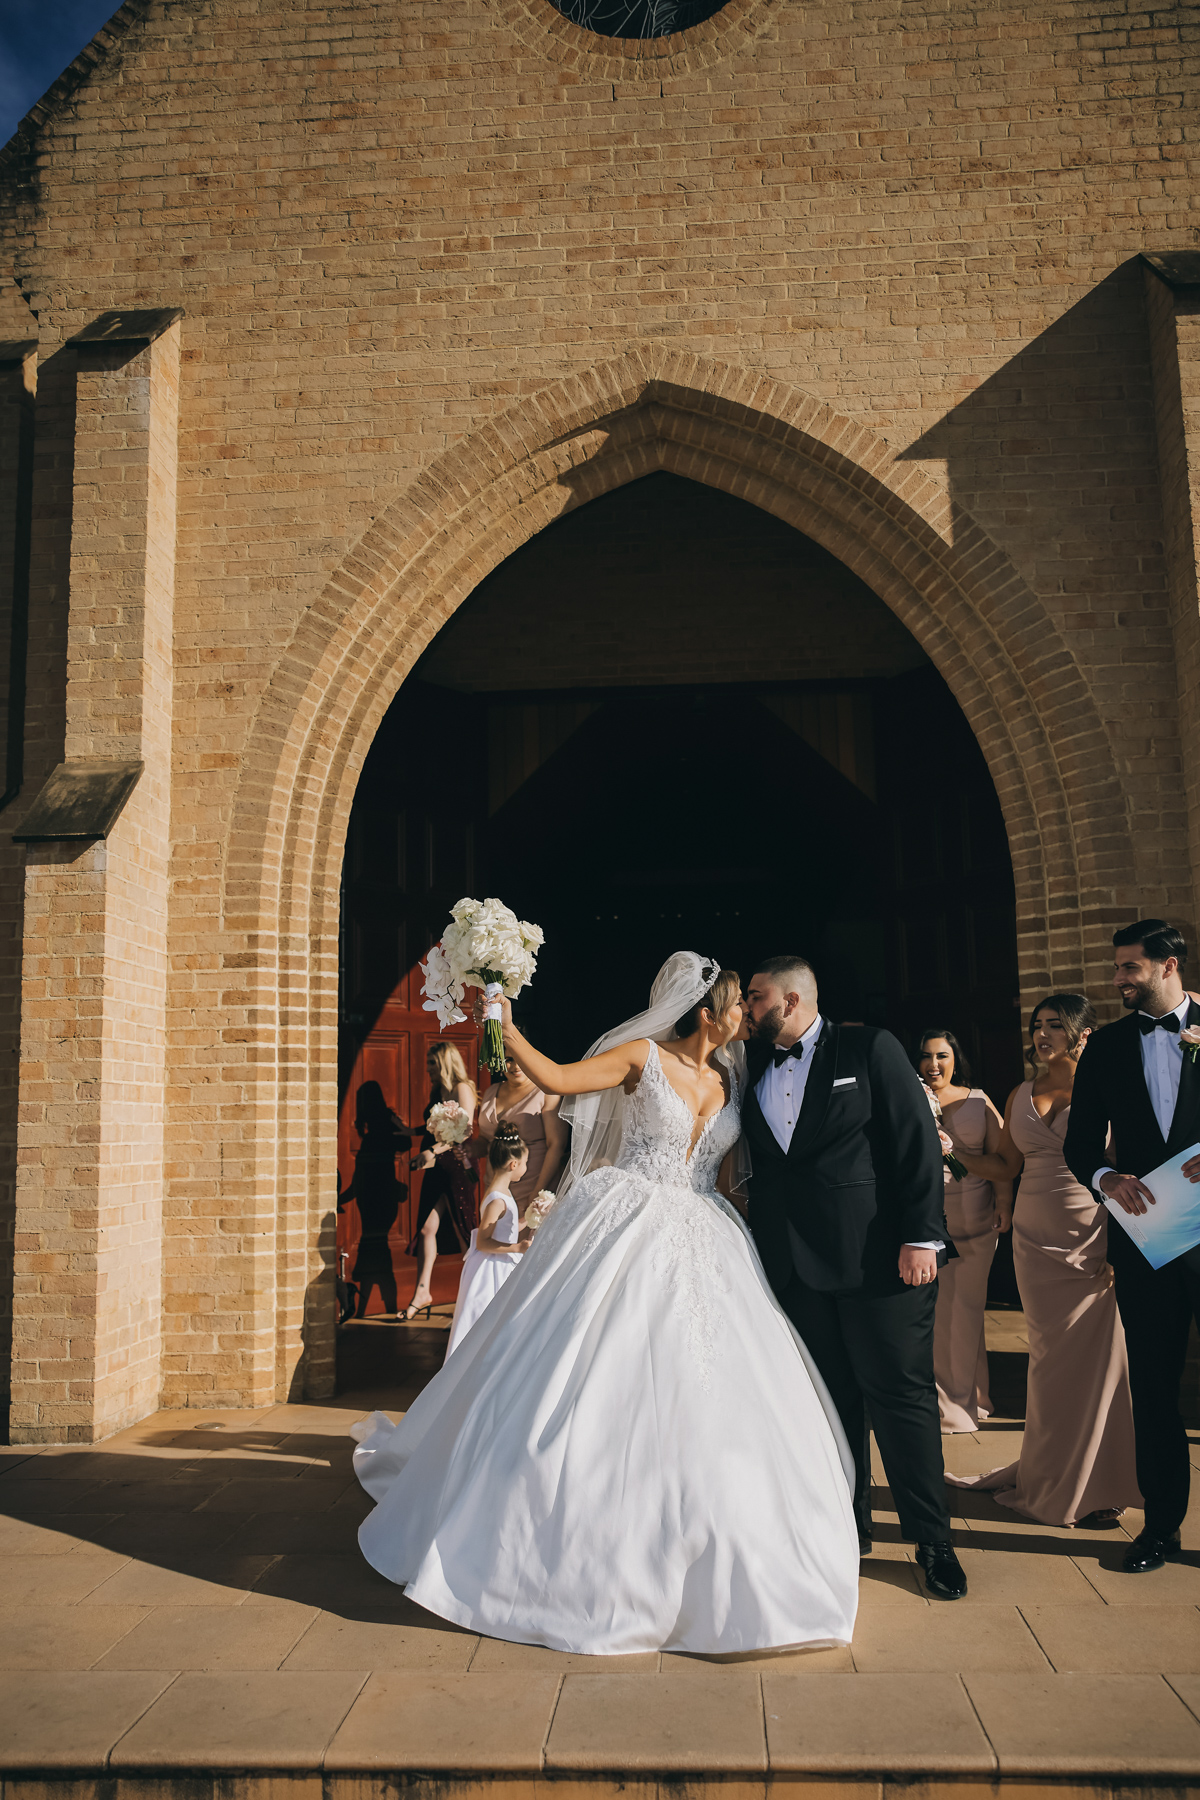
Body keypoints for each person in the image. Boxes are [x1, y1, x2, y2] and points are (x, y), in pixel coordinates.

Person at [351, 953, 859, 1655]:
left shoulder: (733, 1078)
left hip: (706, 1232)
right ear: (707, 1011)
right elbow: (560, 1078)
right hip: (630, 1220)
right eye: (740, 1003)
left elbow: (731, 1176)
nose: (749, 1014)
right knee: (602, 1362)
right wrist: (505, 1025)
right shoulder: (641, 1057)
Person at [740, 954, 967, 1601]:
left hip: (879, 1262)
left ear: (790, 1000)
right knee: (829, 1401)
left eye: (754, 997)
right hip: (793, 1266)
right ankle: (847, 1529)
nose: (745, 1008)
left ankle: (932, 1541)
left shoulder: (869, 1049)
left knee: (900, 1398)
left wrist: (922, 1235)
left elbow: (914, 1140)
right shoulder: (750, 1065)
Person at [946, 994, 1139, 1526]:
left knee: (1100, 1362)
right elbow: (1006, 1166)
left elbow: (1131, 1163)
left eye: (1055, 1025)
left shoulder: (1109, 1087)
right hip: (1033, 1239)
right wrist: (951, 1152)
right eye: (1037, 1025)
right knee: (1048, 1360)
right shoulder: (1020, 1093)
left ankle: (1100, 1482)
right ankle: (1050, 1472)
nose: (1041, 1033)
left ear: (1083, 1034)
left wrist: (1127, 1243)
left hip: (1092, 1235)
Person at [1064, 921, 1200, 1573]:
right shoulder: (1109, 1047)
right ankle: (1161, 1527)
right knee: (1152, 1387)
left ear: (1168, 965)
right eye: (1117, 967)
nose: (1117, 979)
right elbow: (1080, 1143)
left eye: (1129, 968)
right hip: (1148, 1242)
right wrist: (1106, 1178)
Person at [915, 1030, 1011, 1433]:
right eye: (926, 1056)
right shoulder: (911, 1096)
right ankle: (971, 1397)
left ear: (956, 1060)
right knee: (941, 1312)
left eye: (942, 1056)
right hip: (927, 1220)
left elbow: (1003, 1159)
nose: (933, 1064)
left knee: (965, 1310)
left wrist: (1004, 1204)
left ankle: (956, 1407)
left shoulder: (979, 1101)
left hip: (976, 1220)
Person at [403, 1042, 478, 1321]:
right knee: (426, 1229)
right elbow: (432, 1128)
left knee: (464, 1231)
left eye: (432, 1063)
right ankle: (422, 1292)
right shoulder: (438, 1092)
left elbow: (465, 1130)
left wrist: (432, 1151)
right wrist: (408, 1132)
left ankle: (474, 1295)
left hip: (458, 1166)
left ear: (446, 1062)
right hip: (437, 1167)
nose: (427, 1068)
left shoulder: (462, 1088)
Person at [445, 1122, 531, 1360]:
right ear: (513, 1164)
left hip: (500, 1261)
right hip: (491, 1268)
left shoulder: (503, 1193)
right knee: (486, 1321)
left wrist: (529, 1217)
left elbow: (506, 1229)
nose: (526, 1167)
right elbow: (483, 1242)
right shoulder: (497, 1200)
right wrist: (518, 1247)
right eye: (525, 1162)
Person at [337, 1080, 412, 1318]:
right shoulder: (381, 1129)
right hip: (377, 1196)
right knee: (377, 1249)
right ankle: (370, 1308)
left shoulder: (377, 1133)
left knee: (375, 1250)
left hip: (375, 1196)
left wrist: (340, 1198)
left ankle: (363, 1307)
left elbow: (407, 1141)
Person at [474, 1042, 568, 1202]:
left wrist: (538, 1192)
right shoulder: (491, 1091)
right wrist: (468, 1149)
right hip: (495, 1186)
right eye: (509, 1059)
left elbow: (556, 1145)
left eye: (520, 1058)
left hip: (533, 1185)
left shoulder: (546, 1092)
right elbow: (485, 1139)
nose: (516, 1066)